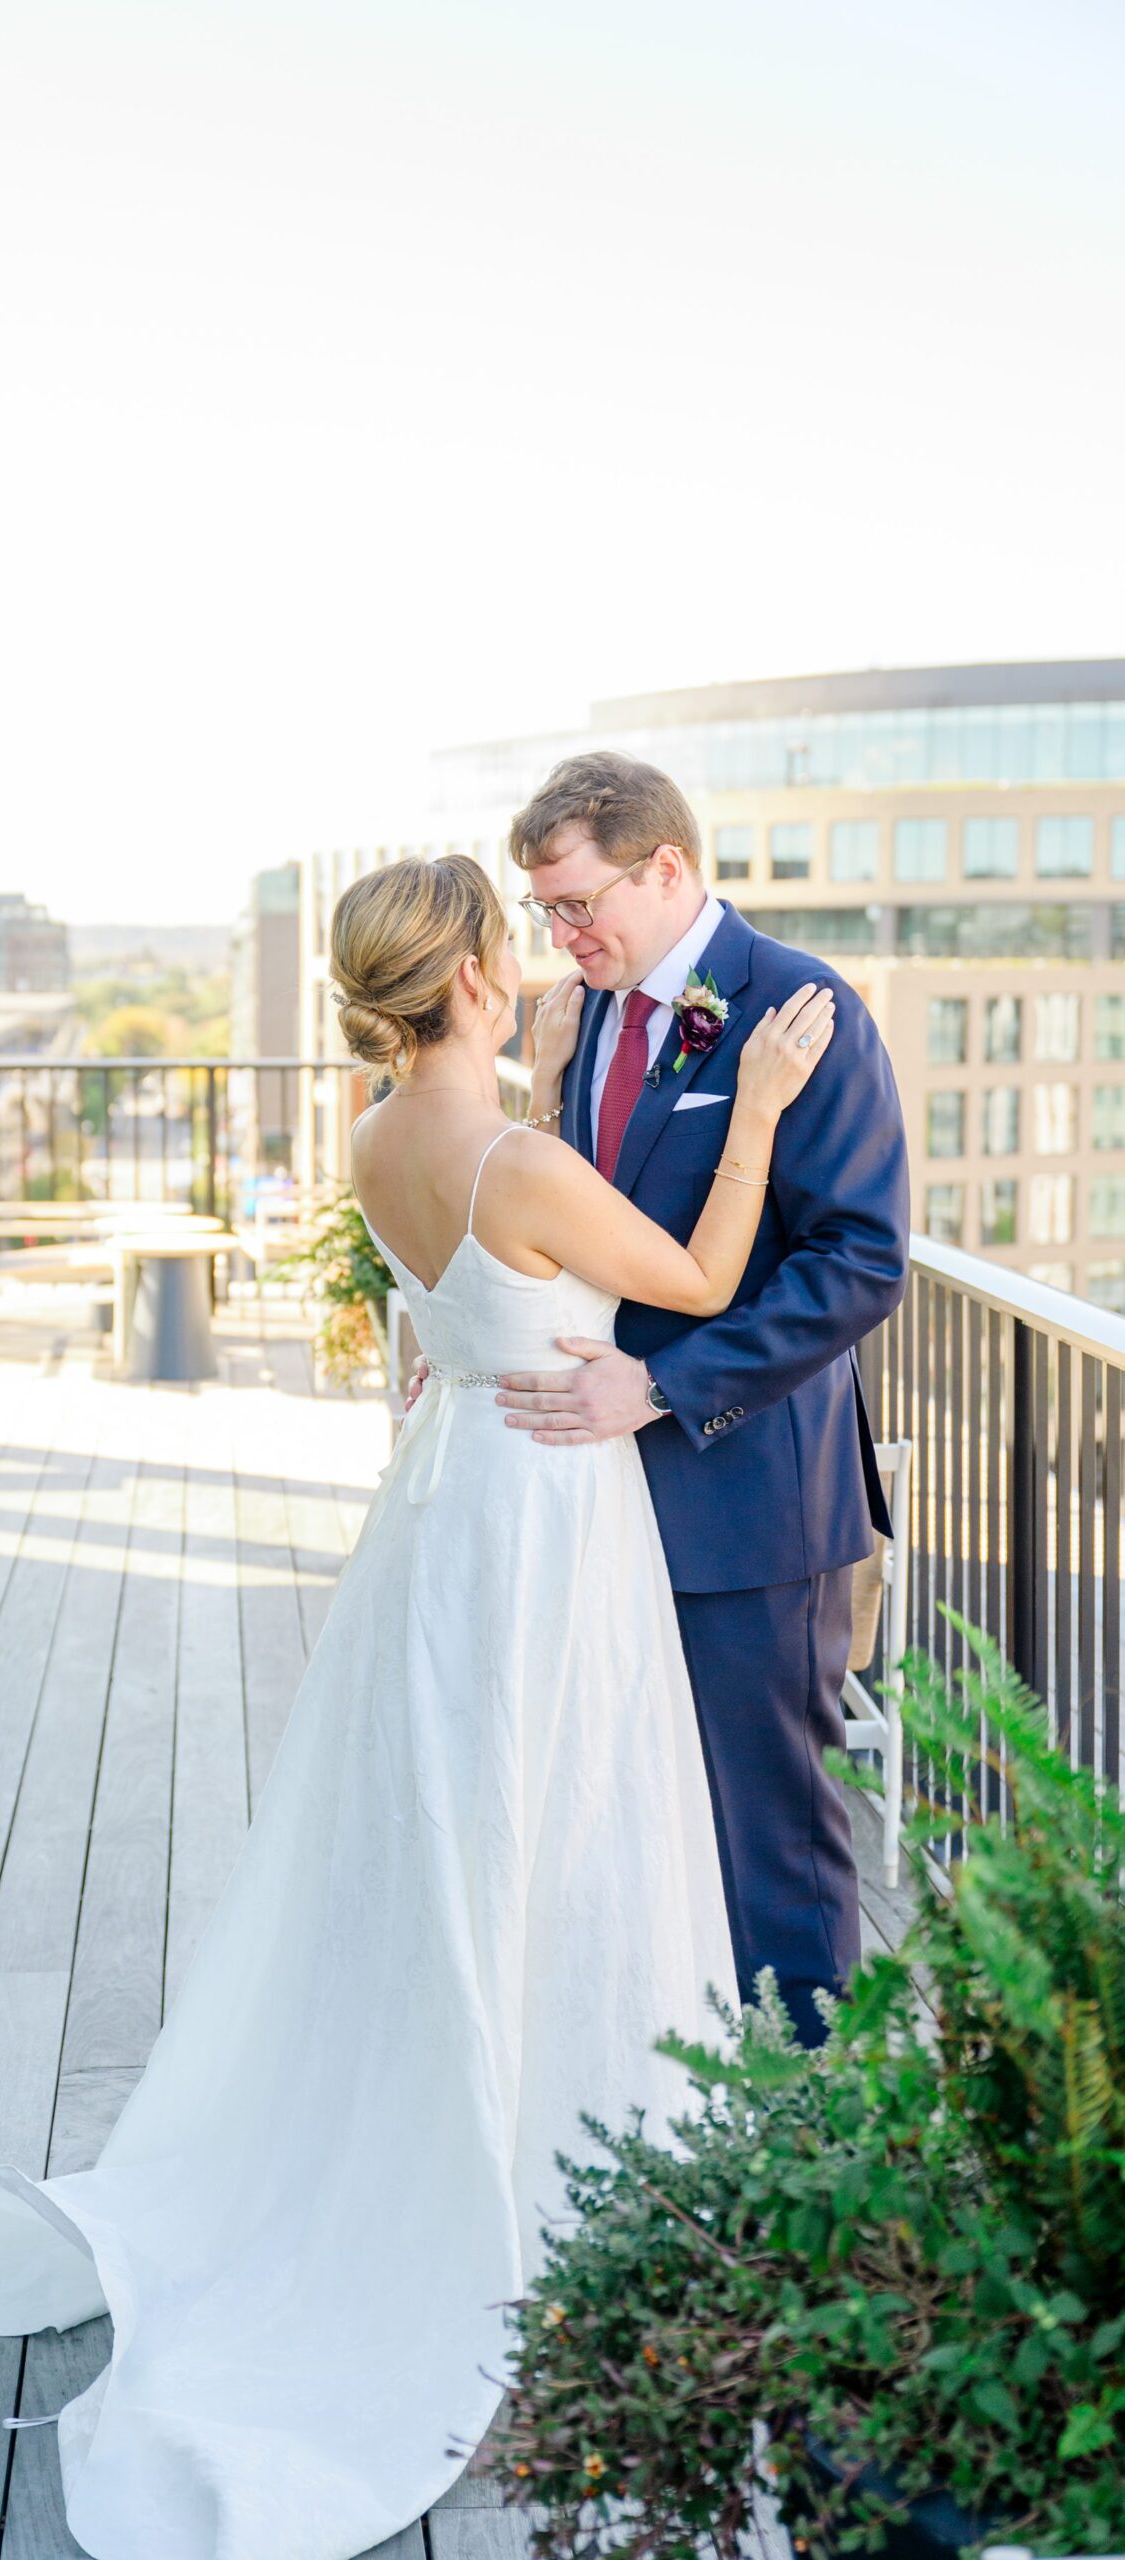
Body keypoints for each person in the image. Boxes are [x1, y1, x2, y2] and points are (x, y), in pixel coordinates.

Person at [0, 850, 836, 2560]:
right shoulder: (519, 1157)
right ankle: (529, 2183)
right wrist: (752, 1113)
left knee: (445, 1839)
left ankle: (474, 2130)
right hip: (544, 1523)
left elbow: (443, 1323)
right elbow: (695, 1277)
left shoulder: (379, 1141)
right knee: (565, 1828)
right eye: (510, 942)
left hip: (450, 1514)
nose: (530, 958)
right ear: (462, 982)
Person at [413, 749, 911, 2049]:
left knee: (769, 1844)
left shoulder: (801, 1009)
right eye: (546, 913)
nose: (561, 935)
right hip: (599, 1500)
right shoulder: (587, 1020)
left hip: (748, 1504)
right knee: (639, 1822)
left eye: (580, 904)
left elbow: (861, 1261)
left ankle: (811, 2130)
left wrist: (670, 1387)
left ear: (669, 867)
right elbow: (586, 1226)